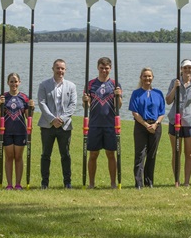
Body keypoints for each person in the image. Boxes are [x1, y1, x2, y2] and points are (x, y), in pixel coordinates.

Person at [83, 57, 122, 189]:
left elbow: (119, 106)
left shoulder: (115, 84)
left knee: (111, 154)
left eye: (106, 68)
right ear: (98, 67)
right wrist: (85, 100)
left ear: (110, 68)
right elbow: (86, 106)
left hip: (111, 124)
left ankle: (113, 183)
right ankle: (91, 183)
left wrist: (118, 96)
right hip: (94, 124)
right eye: (101, 68)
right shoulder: (90, 84)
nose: (104, 70)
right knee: (93, 154)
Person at [37, 59, 77, 189]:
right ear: (53, 69)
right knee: (45, 154)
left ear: (65, 70)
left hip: (64, 126)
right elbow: (41, 103)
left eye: (62, 69)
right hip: (48, 126)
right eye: (58, 68)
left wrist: (62, 119)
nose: (60, 71)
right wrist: (52, 119)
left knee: (65, 154)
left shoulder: (71, 86)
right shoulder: (44, 85)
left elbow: (73, 105)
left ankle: (67, 182)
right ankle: (44, 182)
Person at [165, 59, 191, 187]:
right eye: (185, 68)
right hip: (174, 120)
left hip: (190, 121)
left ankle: (187, 181)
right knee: (176, 152)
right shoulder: (174, 82)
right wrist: (175, 88)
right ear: (181, 69)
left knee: (189, 152)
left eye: (189, 68)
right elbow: (169, 101)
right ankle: (177, 180)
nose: (187, 70)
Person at [0, 73, 34, 190]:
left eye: (16, 81)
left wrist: (31, 107)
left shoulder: (24, 97)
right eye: (11, 82)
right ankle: (9, 184)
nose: (14, 84)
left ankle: (18, 183)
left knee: (18, 157)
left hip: (20, 132)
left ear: (19, 82)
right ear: (8, 83)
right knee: (9, 157)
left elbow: (28, 117)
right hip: (6, 131)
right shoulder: (3, 97)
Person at [128, 68, 165, 189]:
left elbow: (162, 112)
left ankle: (149, 181)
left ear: (152, 78)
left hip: (155, 126)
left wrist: (155, 124)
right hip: (141, 126)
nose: (147, 79)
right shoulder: (136, 93)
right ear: (141, 78)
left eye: (149, 76)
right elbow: (135, 112)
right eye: (145, 76)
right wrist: (145, 124)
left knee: (152, 154)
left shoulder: (158, 93)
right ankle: (138, 183)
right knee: (140, 154)